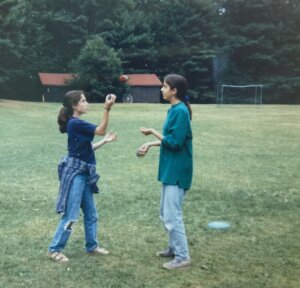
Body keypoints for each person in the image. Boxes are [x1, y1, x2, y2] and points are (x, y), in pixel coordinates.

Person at [47, 90, 117, 263]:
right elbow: (100, 130)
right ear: (74, 106)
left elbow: (85, 150)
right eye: (84, 101)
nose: (87, 103)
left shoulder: (75, 124)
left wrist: (104, 142)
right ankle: (54, 249)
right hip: (75, 174)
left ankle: (92, 246)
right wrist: (107, 109)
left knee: (91, 213)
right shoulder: (75, 123)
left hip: (84, 172)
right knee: (71, 215)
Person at [137, 74, 193, 270]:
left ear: (174, 91)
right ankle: (173, 248)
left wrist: (152, 131)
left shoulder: (180, 112)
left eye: (164, 87)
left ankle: (183, 257)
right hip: (171, 168)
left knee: (172, 215)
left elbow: (175, 143)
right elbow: (170, 137)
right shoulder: (174, 110)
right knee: (165, 213)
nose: (161, 89)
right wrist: (150, 144)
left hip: (178, 170)